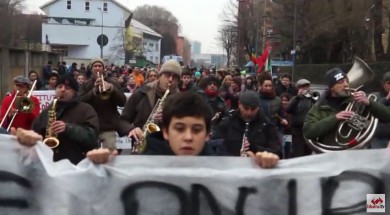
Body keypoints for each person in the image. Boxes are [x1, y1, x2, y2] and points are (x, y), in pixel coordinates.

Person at [89, 92, 279, 168]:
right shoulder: (140, 165)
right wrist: (101, 171)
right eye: (179, 129)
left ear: (207, 135)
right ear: (165, 131)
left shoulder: (224, 167)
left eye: (196, 130)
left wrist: (265, 172)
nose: (188, 137)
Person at [16, 74, 100, 165]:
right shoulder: (46, 111)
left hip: (76, 164)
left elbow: (92, 137)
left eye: (67, 88)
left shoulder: (86, 109)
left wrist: (68, 128)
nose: (62, 90)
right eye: (60, 87)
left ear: (74, 92)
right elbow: (35, 130)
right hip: (51, 163)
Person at [303, 68, 390, 150]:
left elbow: (387, 116)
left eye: (347, 81)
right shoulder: (320, 107)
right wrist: (335, 118)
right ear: (331, 87)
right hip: (330, 154)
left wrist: (370, 103)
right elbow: (309, 131)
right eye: (341, 82)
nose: (346, 84)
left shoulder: (358, 100)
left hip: (357, 153)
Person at [119, 60, 182, 144]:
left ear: (178, 81)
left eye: (174, 77)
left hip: (170, 148)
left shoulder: (182, 101)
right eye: (167, 75)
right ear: (160, 76)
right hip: (142, 147)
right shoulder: (141, 93)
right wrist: (131, 129)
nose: (170, 80)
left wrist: (169, 120)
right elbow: (122, 121)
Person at [213, 91, 282, 162]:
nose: (249, 113)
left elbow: (278, 152)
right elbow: (213, 148)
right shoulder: (227, 123)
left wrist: (255, 150)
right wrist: (234, 160)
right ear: (239, 104)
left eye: (253, 109)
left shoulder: (267, 126)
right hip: (230, 169)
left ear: (258, 107)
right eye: (245, 108)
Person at [79, 57, 126, 151]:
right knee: (92, 158)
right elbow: (80, 102)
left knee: (111, 157)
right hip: (91, 127)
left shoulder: (113, 82)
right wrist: (93, 91)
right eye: (95, 66)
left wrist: (112, 89)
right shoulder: (86, 84)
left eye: (100, 66)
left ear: (103, 68)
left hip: (108, 127)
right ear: (91, 68)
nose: (97, 68)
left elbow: (122, 102)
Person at [286, 79, 316, 157]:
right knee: (298, 153)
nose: (305, 88)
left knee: (308, 153)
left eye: (307, 86)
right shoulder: (295, 99)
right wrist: (297, 98)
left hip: (309, 129)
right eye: (302, 87)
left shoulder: (313, 98)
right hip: (297, 130)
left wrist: (313, 98)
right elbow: (288, 109)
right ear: (298, 88)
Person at [371, 72, 390, 148]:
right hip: (377, 138)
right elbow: (370, 111)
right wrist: (386, 99)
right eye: (389, 83)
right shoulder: (374, 96)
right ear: (383, 84)